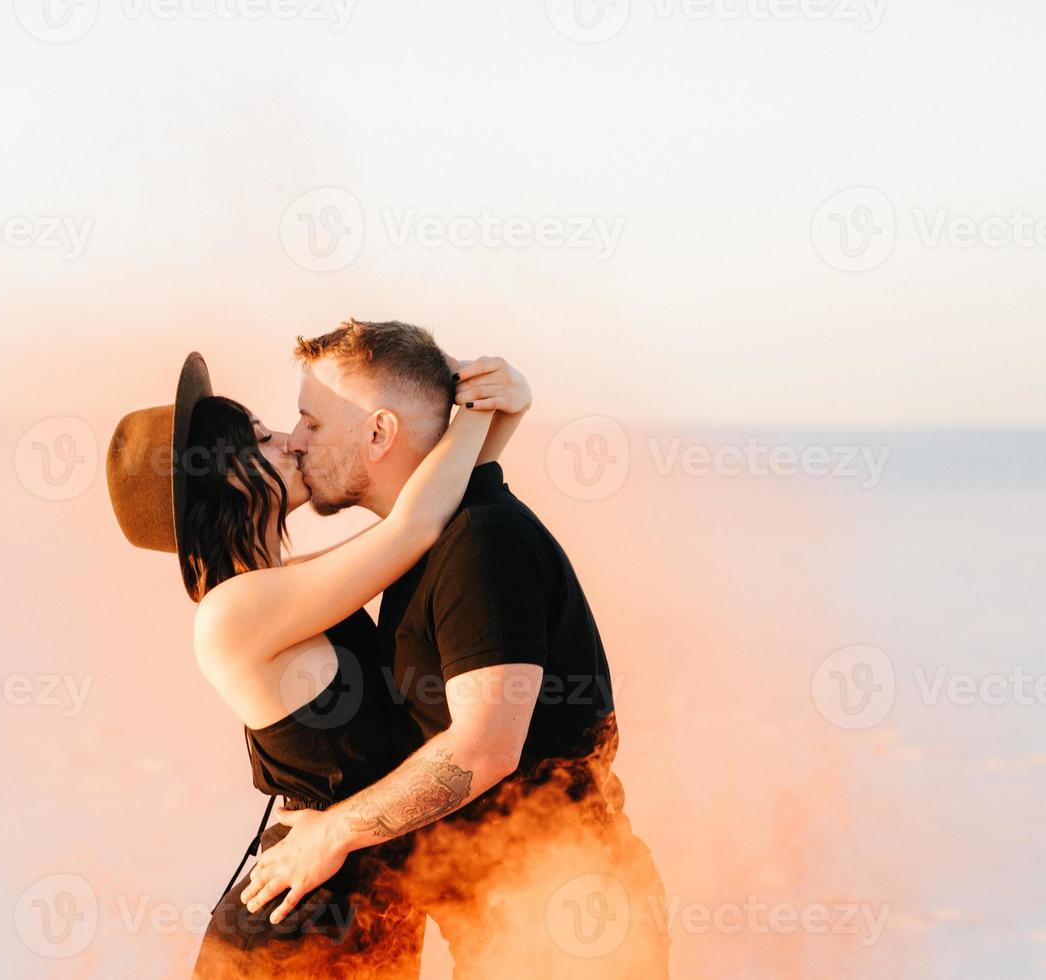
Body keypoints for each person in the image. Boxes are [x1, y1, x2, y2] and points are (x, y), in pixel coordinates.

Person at [242, 320, 670, 978]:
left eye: (311, 423)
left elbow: (483, 747)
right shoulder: (436, 537)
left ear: (378, 433)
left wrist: (334, 833)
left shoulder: (480, 544)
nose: (295, 443)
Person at [105, 345, 531, 978]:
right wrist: (475, 411)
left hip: (351, 924)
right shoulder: (230, 615)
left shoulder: (290, 587)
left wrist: (503, 414)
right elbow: (413, 528)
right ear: (224, 476)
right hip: (295, 938)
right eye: (262, 438)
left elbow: (429, 522)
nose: (292, 441)